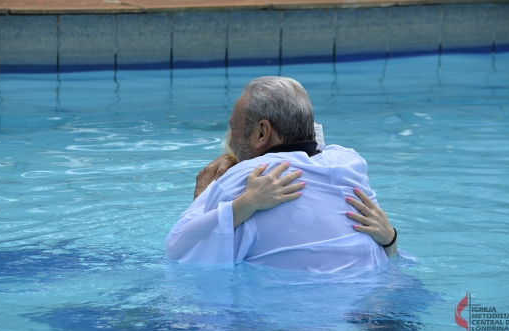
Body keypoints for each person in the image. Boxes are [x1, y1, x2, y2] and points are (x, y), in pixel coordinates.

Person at [165, 77, 397, 273]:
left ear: (262, 132)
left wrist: (201, 197)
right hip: (372, 301)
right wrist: (391, 240)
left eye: (233, 128)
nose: (232, 140)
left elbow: (178, 251)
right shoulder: (350, 164)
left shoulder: (244, 179)